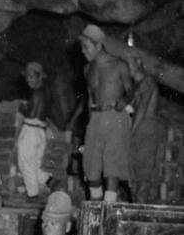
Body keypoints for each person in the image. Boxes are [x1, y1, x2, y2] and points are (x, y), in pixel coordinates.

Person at [68, 24, 133, 203]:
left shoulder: (119, 65)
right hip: (96, 118)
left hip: (115, 116)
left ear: (98, 45)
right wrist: (90, 123)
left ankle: (109, 204)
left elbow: (131, 90)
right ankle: (95, 203)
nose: (83, 51)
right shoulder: (87, 69)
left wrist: (125, 100)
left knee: (112, 163)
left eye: (86, 47)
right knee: (91, 163)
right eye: (82, 47)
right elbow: (90, 97)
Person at [128, 56, 162, 204]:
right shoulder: (137, 85)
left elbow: (142, 109)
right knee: (135, 171)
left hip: (146, 127)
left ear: (138, 64)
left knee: (143, 173)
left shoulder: (147, 82)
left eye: (129, 64)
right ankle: (136, 206)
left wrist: (131, 132)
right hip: (139, 127)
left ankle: (140, 207)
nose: (127, 68)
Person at [16, 61, 53, 199]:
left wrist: (22, 108)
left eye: (31, 76)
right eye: (27, 77)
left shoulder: (36, 93)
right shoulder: (46, 91)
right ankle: (46, 181)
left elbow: (31, 114)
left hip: (31, 130)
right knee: (36, 162)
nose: (28, 80)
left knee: (25, 162)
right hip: (40, 131)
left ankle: (33, 195)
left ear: (39, 76)